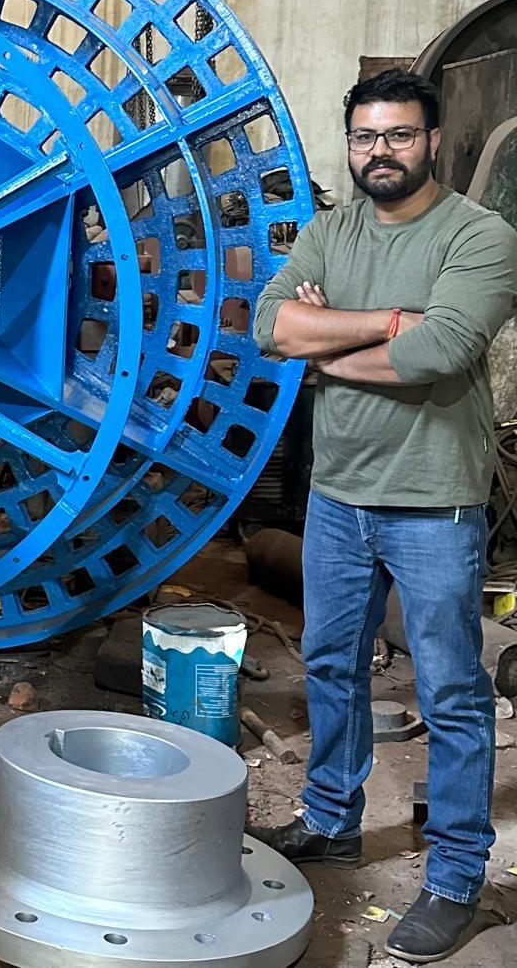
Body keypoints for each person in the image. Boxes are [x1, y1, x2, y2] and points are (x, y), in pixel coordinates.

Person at [249, 68, 517, 964]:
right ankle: (330, 819)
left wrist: (329, 351)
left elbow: (439, 354)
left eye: (399, 136)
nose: (381, 153)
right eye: (366, 138)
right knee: (330, 665)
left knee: (449, 692)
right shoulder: (333, 229)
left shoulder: (479, 237)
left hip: (434, 504)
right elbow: (269, 326)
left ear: (432, 141)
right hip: (336, 499)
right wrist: (385, 325)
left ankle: (455, 877)